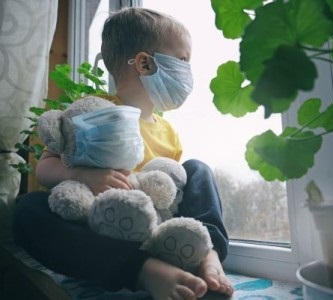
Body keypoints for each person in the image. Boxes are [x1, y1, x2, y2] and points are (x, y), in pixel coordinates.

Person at [12, 7, 234, 300]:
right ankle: (143, 270)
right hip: (98, 233)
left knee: (197, 169)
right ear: (144, 64)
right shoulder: (92, 111)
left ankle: (208, 254)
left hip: (154, 228)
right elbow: (45, 167)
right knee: (28, 210)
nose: (187, 72)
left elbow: (175, 194)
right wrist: (80, 175)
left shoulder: (169, 132)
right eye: (182, 61)